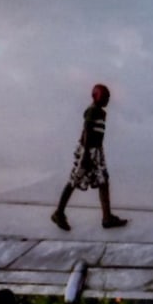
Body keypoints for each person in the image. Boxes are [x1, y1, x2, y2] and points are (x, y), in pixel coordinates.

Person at [51, 82, 126, 231]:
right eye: (106, 97)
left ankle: (107, 218)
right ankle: (58, 213)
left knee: (103, 181)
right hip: (88, 151)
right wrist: (85, 155)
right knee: (74, 180)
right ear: (98, 97)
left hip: (96, 151)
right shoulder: (92, 111)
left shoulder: (101, 112)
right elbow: (87, 132)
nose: (108, 100)